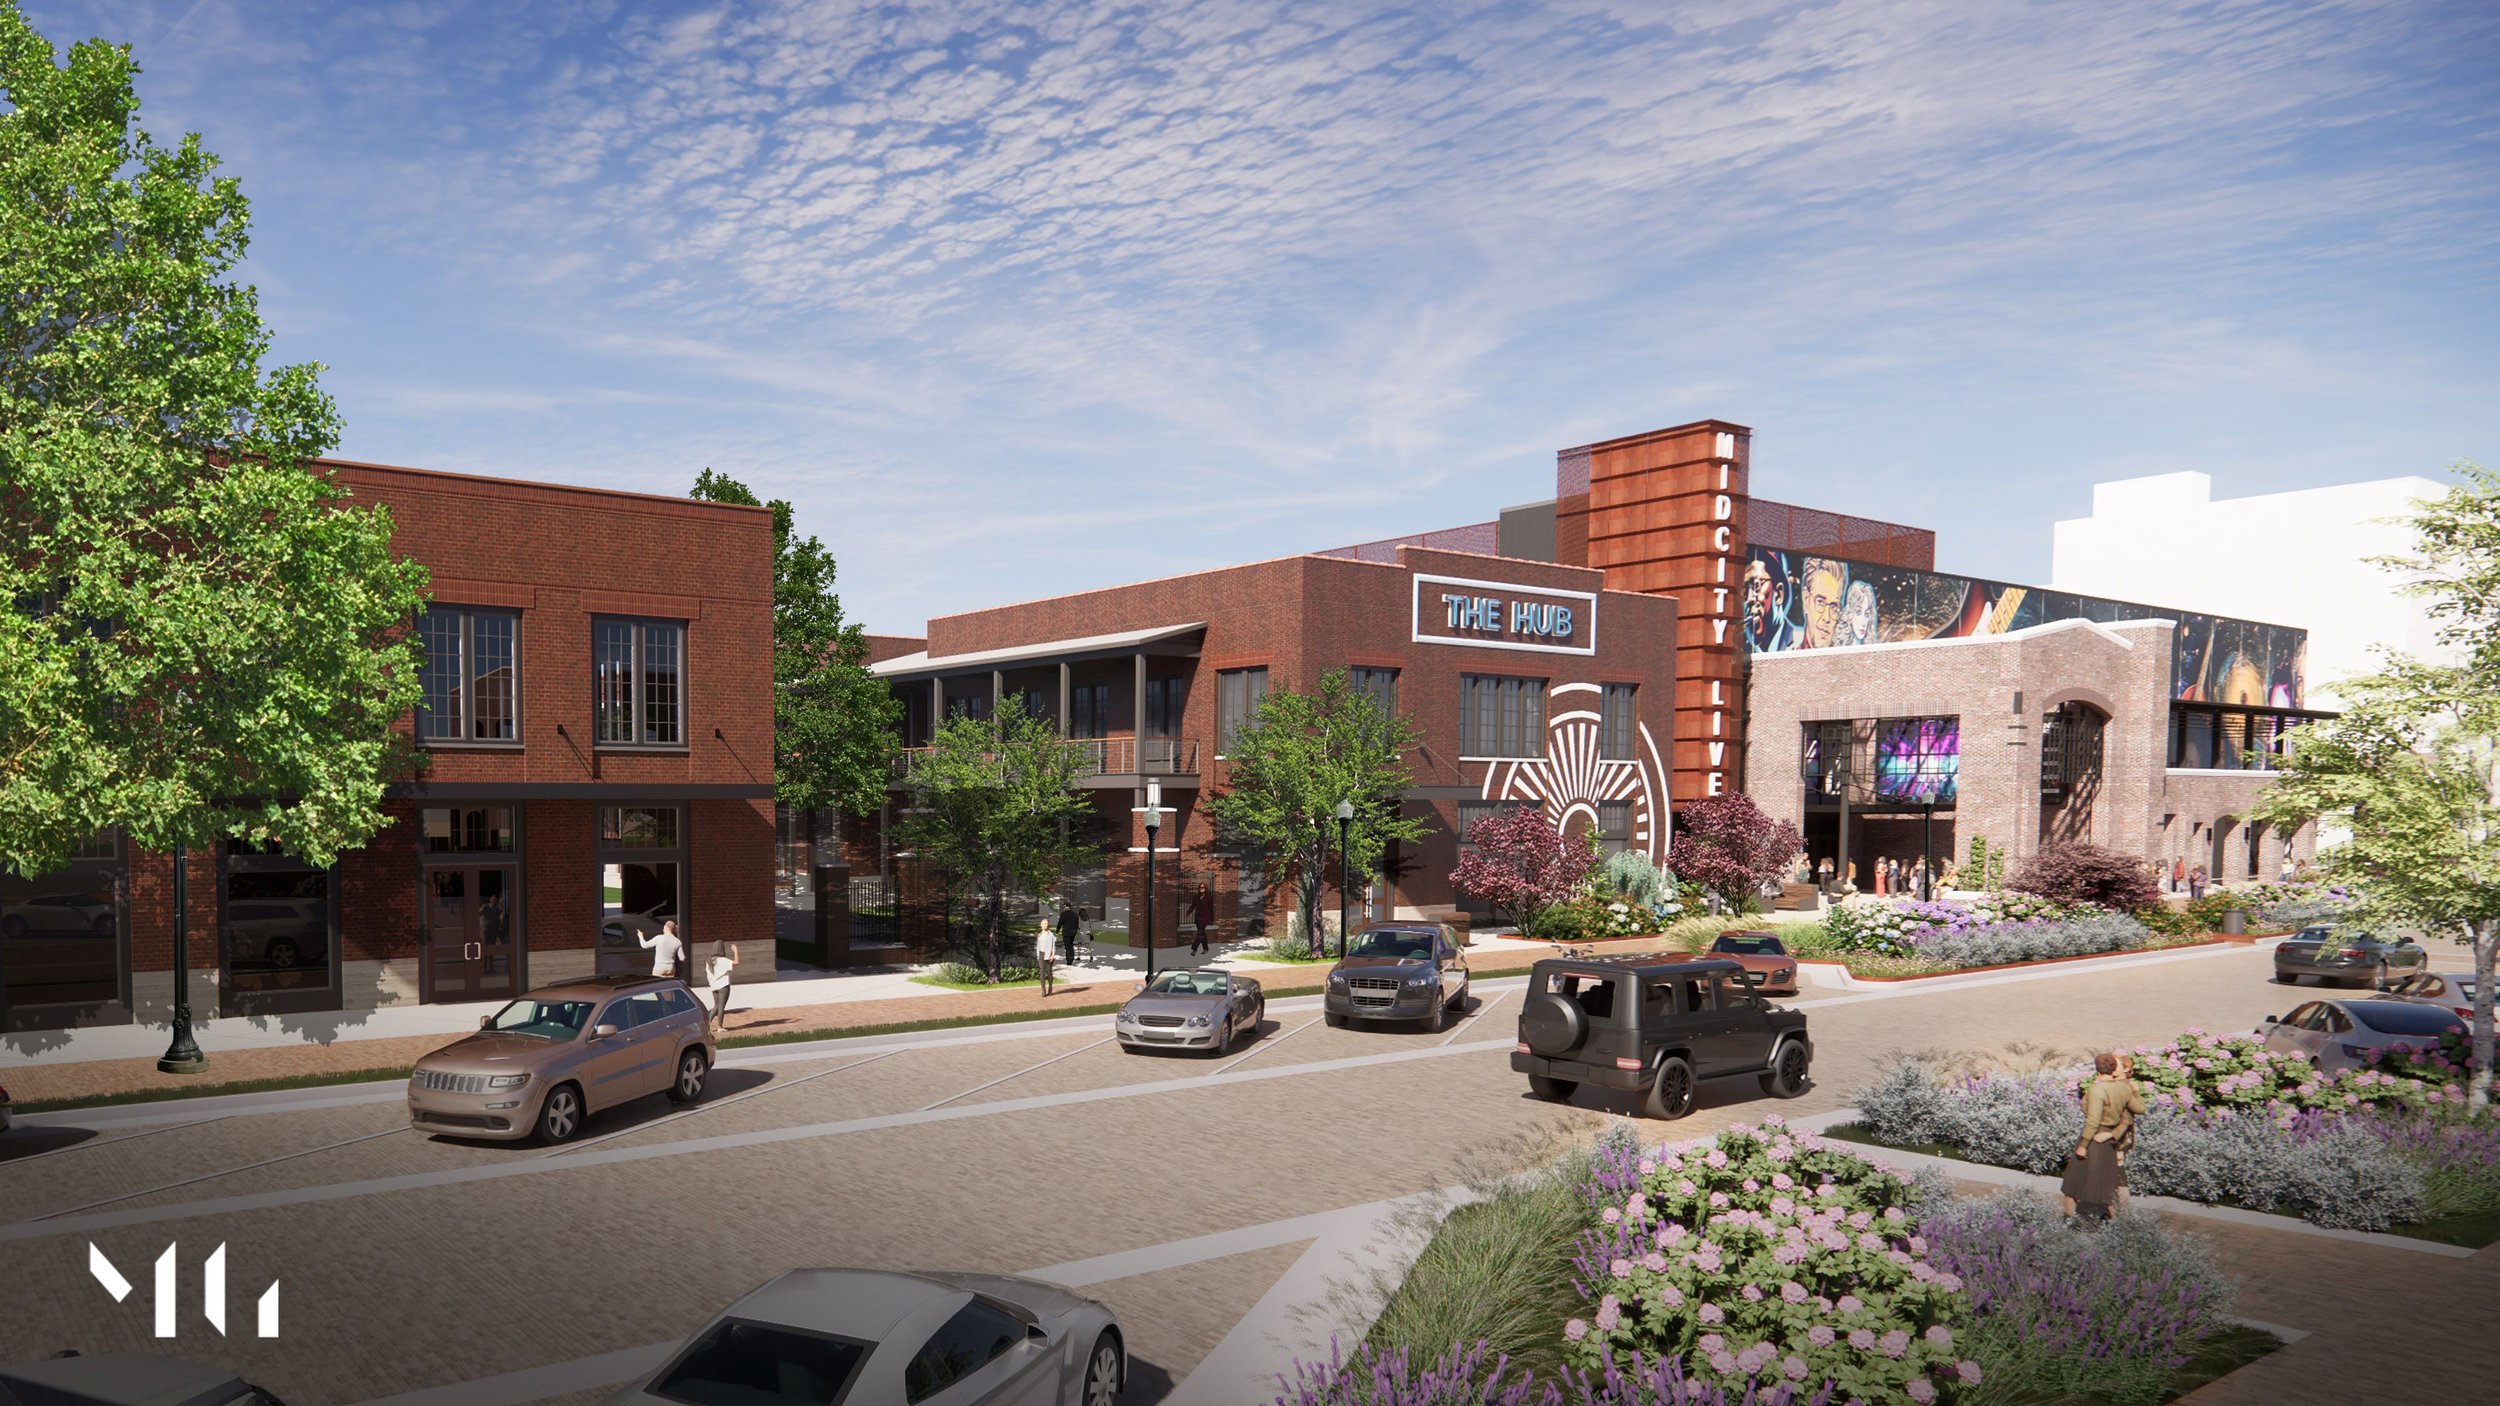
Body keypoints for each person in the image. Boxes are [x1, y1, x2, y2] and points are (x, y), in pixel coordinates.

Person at [2061, 1051, 2143, 1219]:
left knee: (2072, 1183)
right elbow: (2140, 1108)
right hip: (2110, 1142)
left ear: (2097, 1069)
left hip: (2095, 1137)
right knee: (2107, 1185)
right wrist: (2135, 1092)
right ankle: (2117, 1226)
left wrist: (2083, 1145)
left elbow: (2092, 1121)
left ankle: (2069, 1220)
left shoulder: (2098, 1089)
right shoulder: (2124, 1088)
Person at [704, 937, 739, 1029]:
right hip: (723, 986)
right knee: (721, 1007)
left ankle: (706, 1024)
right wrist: (735, 951)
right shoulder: (723, 960)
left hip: (714, 986)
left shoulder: (709, 962)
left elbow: (708, 975)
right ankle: (720, 1026)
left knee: (716, 1006)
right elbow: (736, 962)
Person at [1053, 899, 1083, 968]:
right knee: (1071, 945)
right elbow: (1077, 923)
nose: (1063, 908)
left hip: (1066, 932)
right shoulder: (1075, 914)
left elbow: (1060, 923)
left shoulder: (1063, 914)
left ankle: (1069, 960)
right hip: (1073, 932)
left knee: (1067, 946)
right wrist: (1075, 930)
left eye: (1064, 907)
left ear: (1066, 906)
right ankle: (1071, 959)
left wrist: (1057, 930)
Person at [1034, 917, 1057, 997]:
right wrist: (1038, 956)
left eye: (1046, 923)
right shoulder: (1039, 935)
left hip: (1048, 955)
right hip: (1041, 955)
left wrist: (1053, 955)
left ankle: (1050, 987)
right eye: (1043, 923)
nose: (1044, 925)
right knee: (1041, 974)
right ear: (1041, 925)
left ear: (1048, 925)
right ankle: (1043, 991)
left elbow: (1053, 946)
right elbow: (1038, 946)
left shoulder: (1051, 935)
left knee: (1049, 973)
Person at [1190, 883, 1215, 955]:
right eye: (1200, 887)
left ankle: (1194, 949)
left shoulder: (1209, 897)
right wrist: (1188, 912)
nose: (1201, 888)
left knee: (1200, 933)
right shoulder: (1196, 897)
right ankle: (1206, 948)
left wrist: (1211, 920)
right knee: (1202, 933)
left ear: (1205, 888)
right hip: (1198, 918)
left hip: (1205, 918)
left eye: (1203, 887)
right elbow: (1193, 906)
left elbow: (1211, 909)